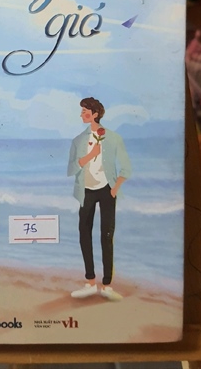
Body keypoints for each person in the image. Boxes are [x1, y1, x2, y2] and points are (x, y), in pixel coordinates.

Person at [67, 97, 132, 301]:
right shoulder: (78, 140)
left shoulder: (113, 138)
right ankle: (90, 282)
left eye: (84, 111)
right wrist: (90, 155)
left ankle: (107, 285)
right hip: (86, 191)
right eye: (81, 111)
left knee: (107, 236)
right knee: (84, 233)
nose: (81, 114)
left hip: (107, 190)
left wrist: (115, 188)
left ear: (95, 114)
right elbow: (71, 168)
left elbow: (126, 167)